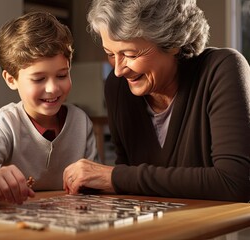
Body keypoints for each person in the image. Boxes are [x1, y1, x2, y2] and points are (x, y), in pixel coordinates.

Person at [63, 0, 250, 202]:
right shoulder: (117, 87)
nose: (118, 70)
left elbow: (234, 182)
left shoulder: (222, 69)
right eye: (110, 54)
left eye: (130, 54)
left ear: (172, 44)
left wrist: (114, 177)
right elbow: (128, 187)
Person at [0, 11, 99, 204]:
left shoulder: (81, 121)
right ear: (11, 79)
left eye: (61, 75)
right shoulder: (6, 122)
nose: (52, 88)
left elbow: (96, 180)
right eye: (39, 79)